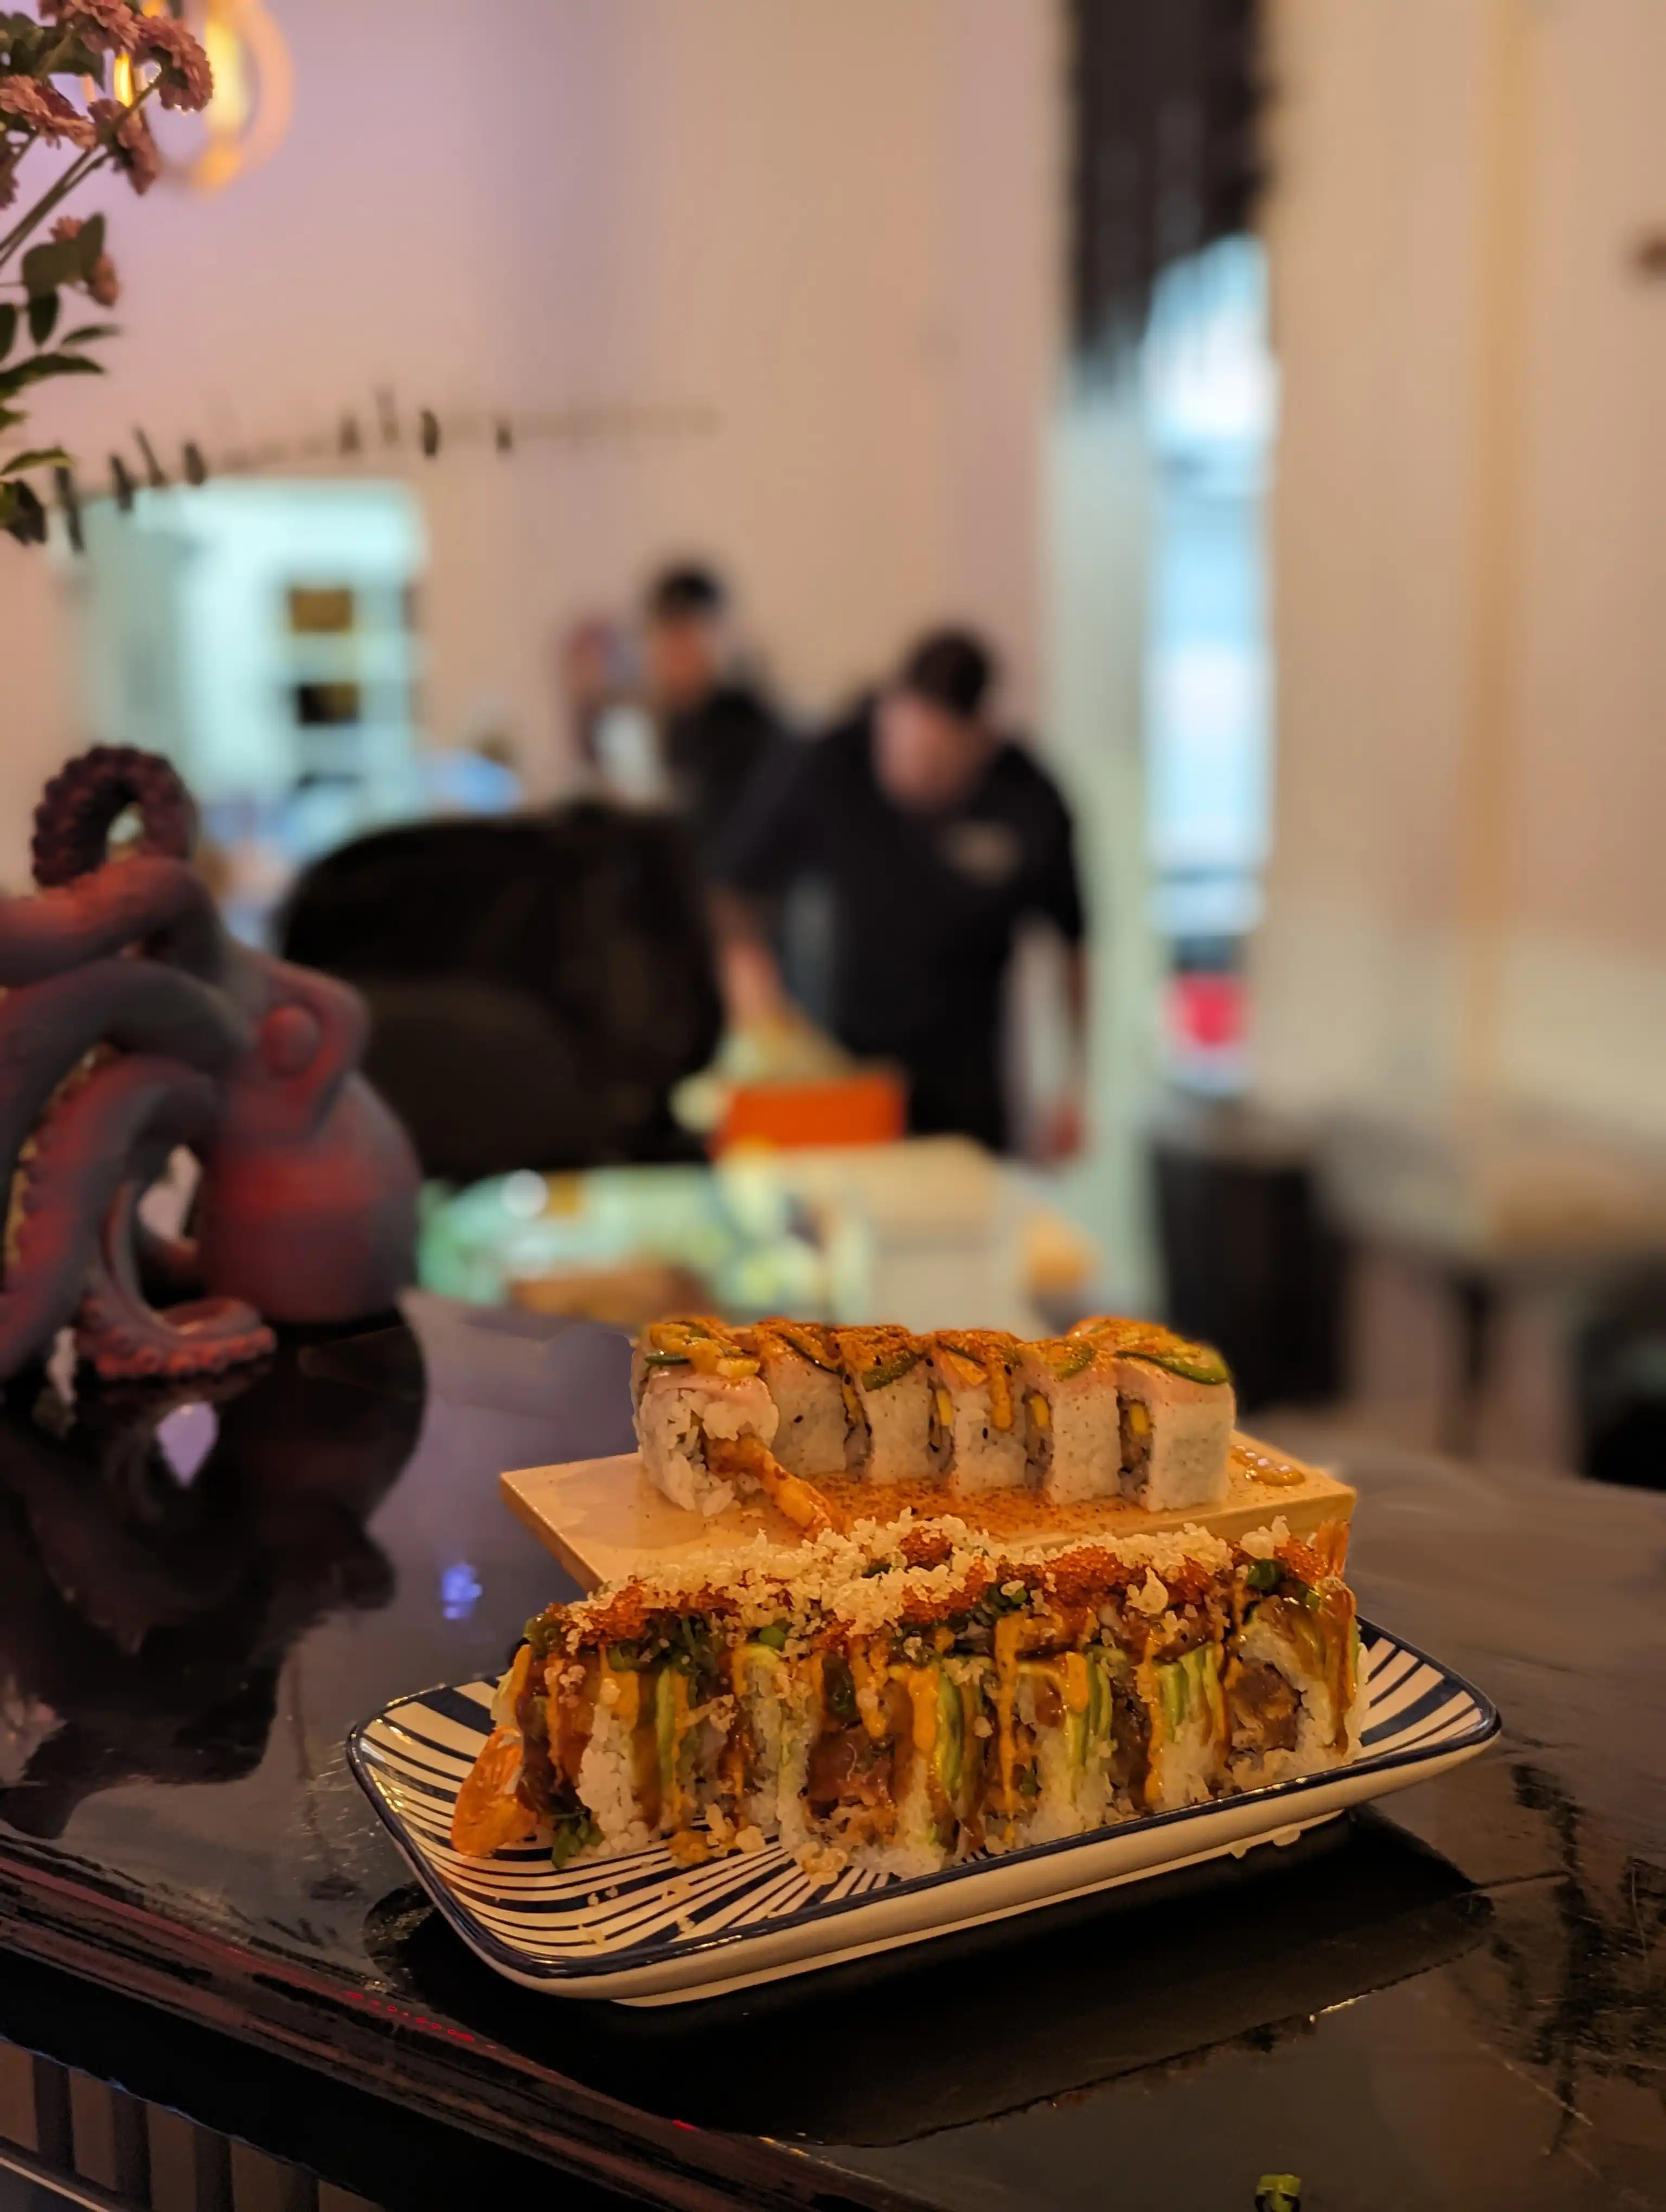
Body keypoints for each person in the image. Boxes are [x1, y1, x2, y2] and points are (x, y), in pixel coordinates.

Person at [715, 629, 1087, 1158]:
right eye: (901, 748)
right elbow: (733, 891)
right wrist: (757, 1004)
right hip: (846, 1081)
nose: (911, 773)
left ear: (979, 741)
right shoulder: (831, 761)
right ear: (888, 710)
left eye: (935, 759)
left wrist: (1072, 1083)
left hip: (970, 1093)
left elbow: (1073, 944)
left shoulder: (1028, 799)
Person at [640, 564, 785, 870]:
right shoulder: (667, 726)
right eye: (667, 639)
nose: (675, 656)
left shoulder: (751, 730)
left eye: (687, 638)